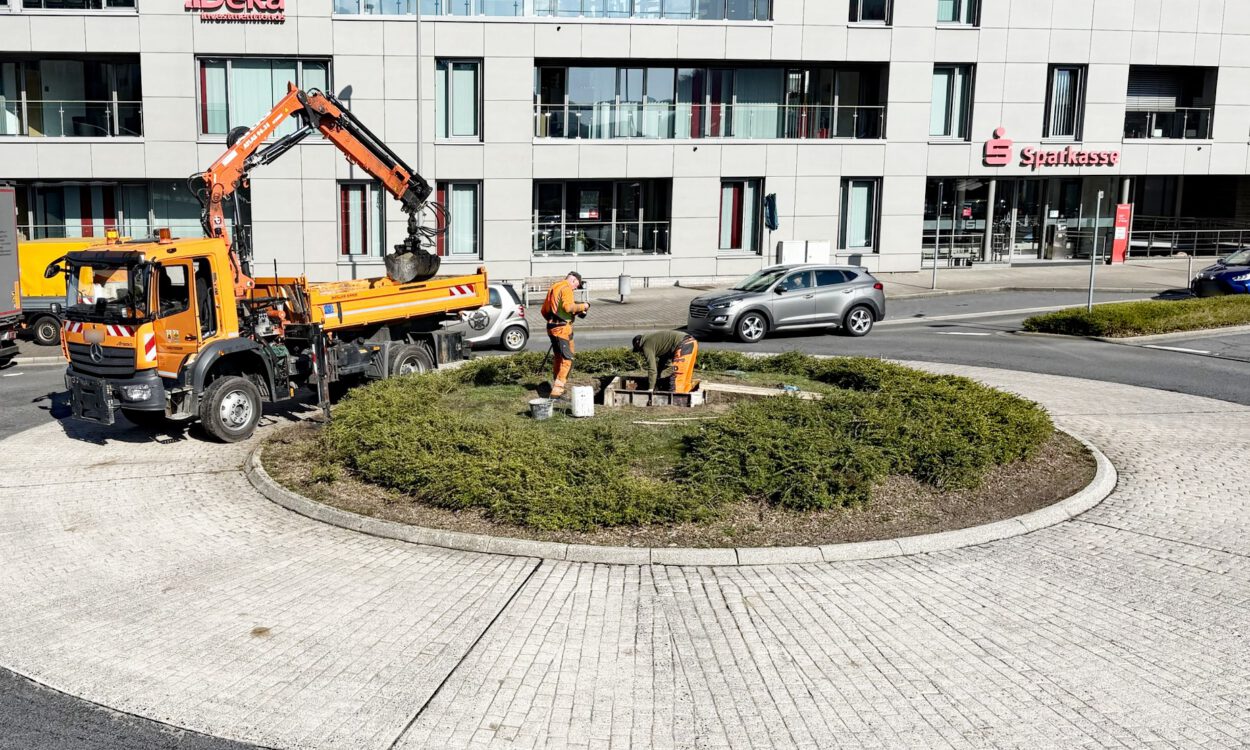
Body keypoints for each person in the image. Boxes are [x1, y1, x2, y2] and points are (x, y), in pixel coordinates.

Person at [541, 271, 589, 398]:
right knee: (567, 359)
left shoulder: (554, 287)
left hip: (551, 327)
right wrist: (584, 306)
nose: (575, 288)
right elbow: (568, 307)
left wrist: (554, 320)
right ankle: (558, 390)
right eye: (576, 285)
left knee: (558, 357)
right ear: (573, 280)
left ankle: (556, 384)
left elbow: (544, 310)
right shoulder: (566, 288)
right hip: (562, 329)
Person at [632, 330, 699, 394]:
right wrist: (658, 376)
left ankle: (677, 400)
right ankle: (685, 397)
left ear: (638, 344)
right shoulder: (655, 341)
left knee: (677, 381)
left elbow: (652, 368)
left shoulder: (646, 346)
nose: (641, 352)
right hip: (692, 342)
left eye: (638, 350)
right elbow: (663, 360)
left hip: (683, 346)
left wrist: (650, 389)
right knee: (685, 379)